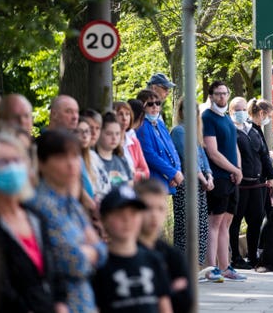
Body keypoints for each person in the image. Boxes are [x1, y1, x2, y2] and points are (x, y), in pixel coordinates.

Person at [0, 132, 67, 313]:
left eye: (17, 160)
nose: (12, 168)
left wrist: (60, 303)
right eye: (2, 162)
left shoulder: (35, 217)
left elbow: (54, 270)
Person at [29, 130, 107, 313]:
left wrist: (89, 251)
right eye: (61, 157)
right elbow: (75, 262)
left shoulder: (72, 204)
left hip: (86, 301)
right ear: (42, 163)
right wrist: (90, 251)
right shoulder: (40, 206)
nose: (72, 164)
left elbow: (102, 253)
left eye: (75, 156)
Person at [92, 185, 173, 313]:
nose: (127, 219)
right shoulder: (99, 266)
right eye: (119, 214)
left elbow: (164, 305)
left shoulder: (154, 259)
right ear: (104, 219)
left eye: (133, 213)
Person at [201, 81, 246, 282]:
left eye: (224, 93)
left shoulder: (227, 118)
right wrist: (233, 169)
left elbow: (233, 146)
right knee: (215, 223)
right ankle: (211, 268)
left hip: (232, 178)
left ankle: (226, 266)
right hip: (218, 178)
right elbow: (212, 152)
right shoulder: (207, 118)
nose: (222, 97)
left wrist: (239, 170)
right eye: (218, 94)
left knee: (226, 223)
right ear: (210, 96)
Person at [228, 97, 273, 269]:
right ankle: (235, 257)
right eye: (237, 109)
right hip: (240, 184)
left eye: (243, 108)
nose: (241, 112)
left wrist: (271, 175)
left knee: (256, 220)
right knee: (235, 221)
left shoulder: (253, 130)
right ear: (232, 112)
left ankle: (253, 255)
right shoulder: (231, 130)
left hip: (257, 183)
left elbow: (263, 154)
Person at [136, 179, 192, 313]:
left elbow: (186, 300)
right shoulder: (124, 251)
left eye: (160, 208)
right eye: (147, 208)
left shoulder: (172, 255)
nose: (154, 215)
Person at [170, 98, 214, 267]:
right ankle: (182, 266)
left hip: (200, 183)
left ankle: (196, 266)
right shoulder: (180, 132)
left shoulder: (195, 132)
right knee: (187, 227)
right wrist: (203, 178)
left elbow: (202, 156)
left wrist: (209, 175)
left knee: (200, 226)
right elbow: (189, 158)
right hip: (188, 184)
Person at [135, 89, 184, 194]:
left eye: (157, 103)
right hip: (152, 180)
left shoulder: (159, 123)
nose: (155, 106)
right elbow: (149, 155)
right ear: (142, 107)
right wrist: (172, 173)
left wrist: (177, 170)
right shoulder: (141, 126)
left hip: (168, 179)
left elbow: (172, 150)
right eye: (150, 104)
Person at [114, 101, 150, 181]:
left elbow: (146, 172)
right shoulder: (111, 142)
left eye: (127, 114)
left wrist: (133, 173)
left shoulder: (134, 142)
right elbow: (115, 175)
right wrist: (136, 173)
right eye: (120, 114)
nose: (124, 118)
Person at [76, 117, 110, 202]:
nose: (84, 136)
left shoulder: (93, 156)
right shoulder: (73, 161)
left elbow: (106, 182)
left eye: (87, 131)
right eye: (79, 132)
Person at [96, 112, 134, 187]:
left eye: (117, 134)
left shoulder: (122, 160)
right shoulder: (93, 160)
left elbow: (130, 185)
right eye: (109, 133)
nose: (114, 138)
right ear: (99, 133)